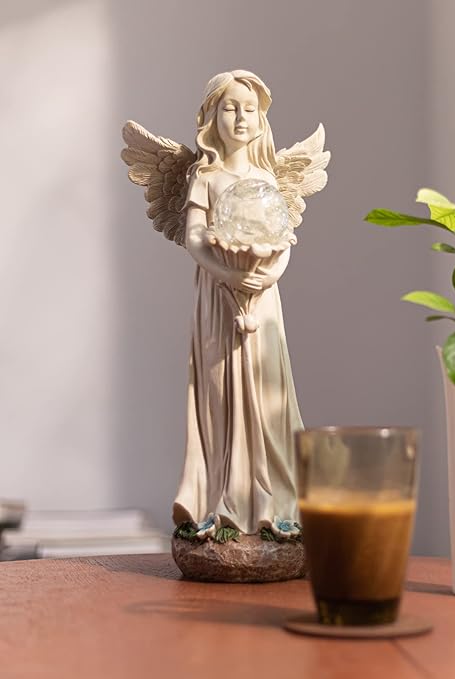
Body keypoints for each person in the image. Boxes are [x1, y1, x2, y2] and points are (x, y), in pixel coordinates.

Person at [172, 70, 302, 536]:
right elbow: (194, 239)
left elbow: (284, 237)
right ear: (213, 117)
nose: (241, 117)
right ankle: (222, 497)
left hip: (262, 299)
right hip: (220, 296)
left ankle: (272, 500)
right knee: (221, 391)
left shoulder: (267, 177)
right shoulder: (205, 178)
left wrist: (269, 274)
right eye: (230, 108)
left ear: (261, 118)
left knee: (267, 391)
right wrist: (229, 276)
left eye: (250, 109)